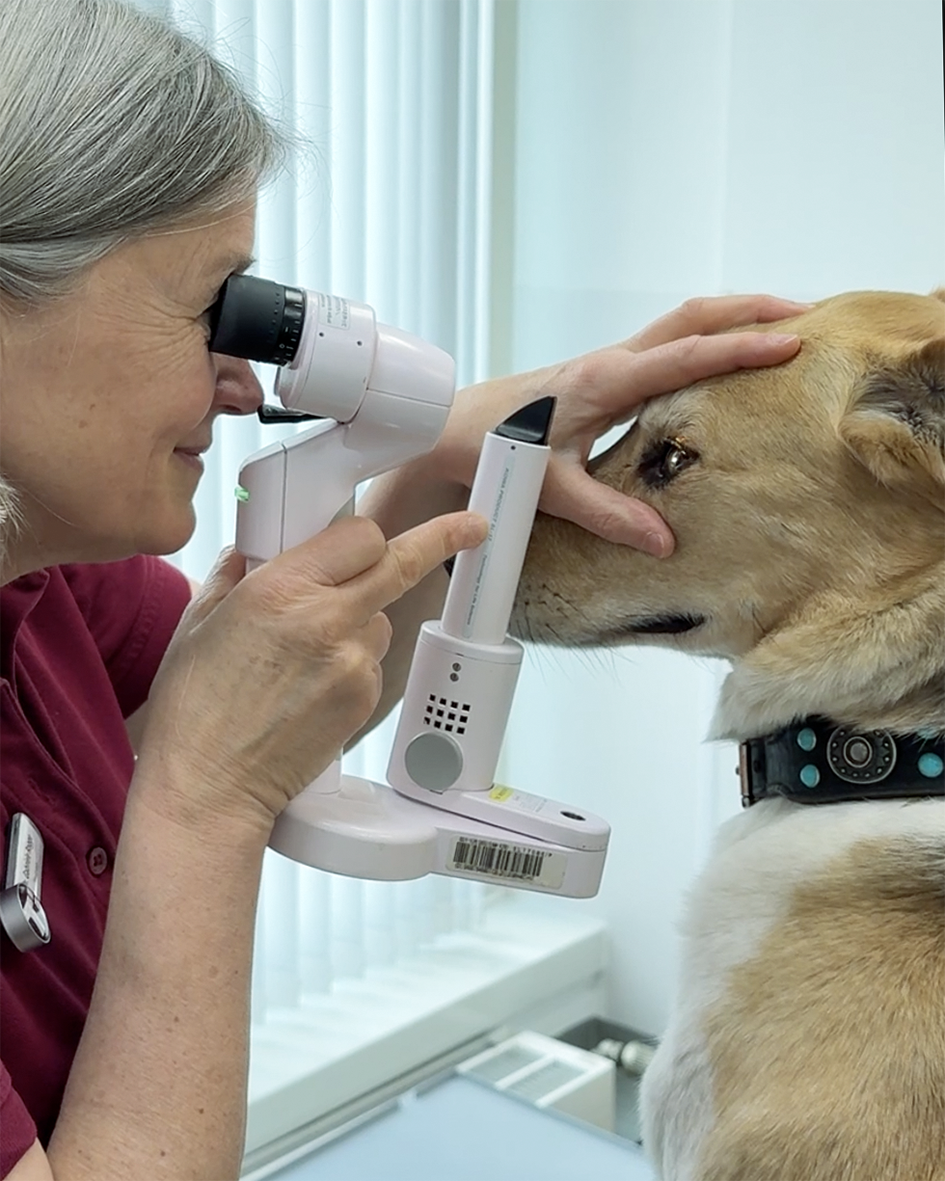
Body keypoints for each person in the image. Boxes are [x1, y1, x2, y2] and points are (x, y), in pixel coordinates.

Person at [0, 2, 806, 1179]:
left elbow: (264, 706)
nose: (244, 380)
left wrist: (442, 470)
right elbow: (204, 761)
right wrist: (204, 800)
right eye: (211, 303)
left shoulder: (52, 575)